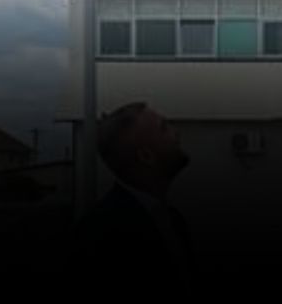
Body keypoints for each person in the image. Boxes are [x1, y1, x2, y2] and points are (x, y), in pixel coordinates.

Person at [68, 101, 195, 274]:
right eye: (164, 128)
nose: (177, 132)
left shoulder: (173, 219)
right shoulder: (99, 236)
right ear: (146, 156)